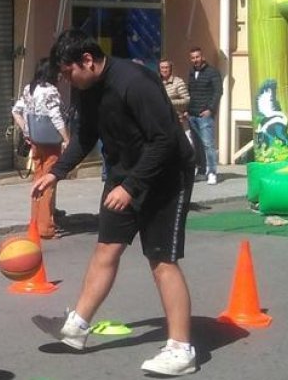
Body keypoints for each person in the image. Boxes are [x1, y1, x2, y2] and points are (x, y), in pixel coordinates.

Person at [30, 29, 198, 376]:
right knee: (106, 247)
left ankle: (182, 350)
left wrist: (132, 187)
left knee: (161, 260)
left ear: (87, 61)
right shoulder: (87, 89)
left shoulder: (135, 83)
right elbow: (86, 136)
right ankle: (77, 327)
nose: (65, 81)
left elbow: (164, 141)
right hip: (124, 174)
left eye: (67, 73)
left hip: (166, 176)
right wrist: (56, 172)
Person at [11, 58, 70, 238]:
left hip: (36, 141)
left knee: (38, 181)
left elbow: (15, 110)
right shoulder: (50, 91)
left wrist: (27, 131)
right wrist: (66, 138)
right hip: (51, 142)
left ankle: (36, 222)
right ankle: (46, 227)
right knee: (48, 183)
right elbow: (55, 116)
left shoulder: (30, 88)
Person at [186, 46, 223, 185]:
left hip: (204, 115)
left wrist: (210, 109)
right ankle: (201, 171)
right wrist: (187, 110)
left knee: (208, 144)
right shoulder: (191, 72)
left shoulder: (212, 72)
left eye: (197, 57)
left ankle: (212, 172)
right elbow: (189, 92)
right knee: (198, 145)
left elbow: (218, 92)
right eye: (193, 58)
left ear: (203, 57)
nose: (195, 60)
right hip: (192, 114)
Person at [159, 60, 195, 148]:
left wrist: (169, 102)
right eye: (162, 68)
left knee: (175, 145)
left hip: (175, 119)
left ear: (170, 69)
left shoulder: (178, 82)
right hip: (160, 120)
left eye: (166, 67)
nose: (164, 70)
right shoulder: (157, 82)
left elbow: (187, 100)